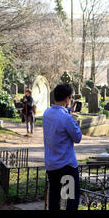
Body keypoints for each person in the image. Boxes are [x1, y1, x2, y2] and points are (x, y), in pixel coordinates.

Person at [42, 83, 82, 211]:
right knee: (70, 199)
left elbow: (59, 118)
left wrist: (68, 110)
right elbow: (78, 137)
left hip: (52, 165)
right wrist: (73, 119)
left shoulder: (47, 113)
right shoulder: (67, 118)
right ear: (67, 99)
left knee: (54, 197)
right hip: (67, 167)